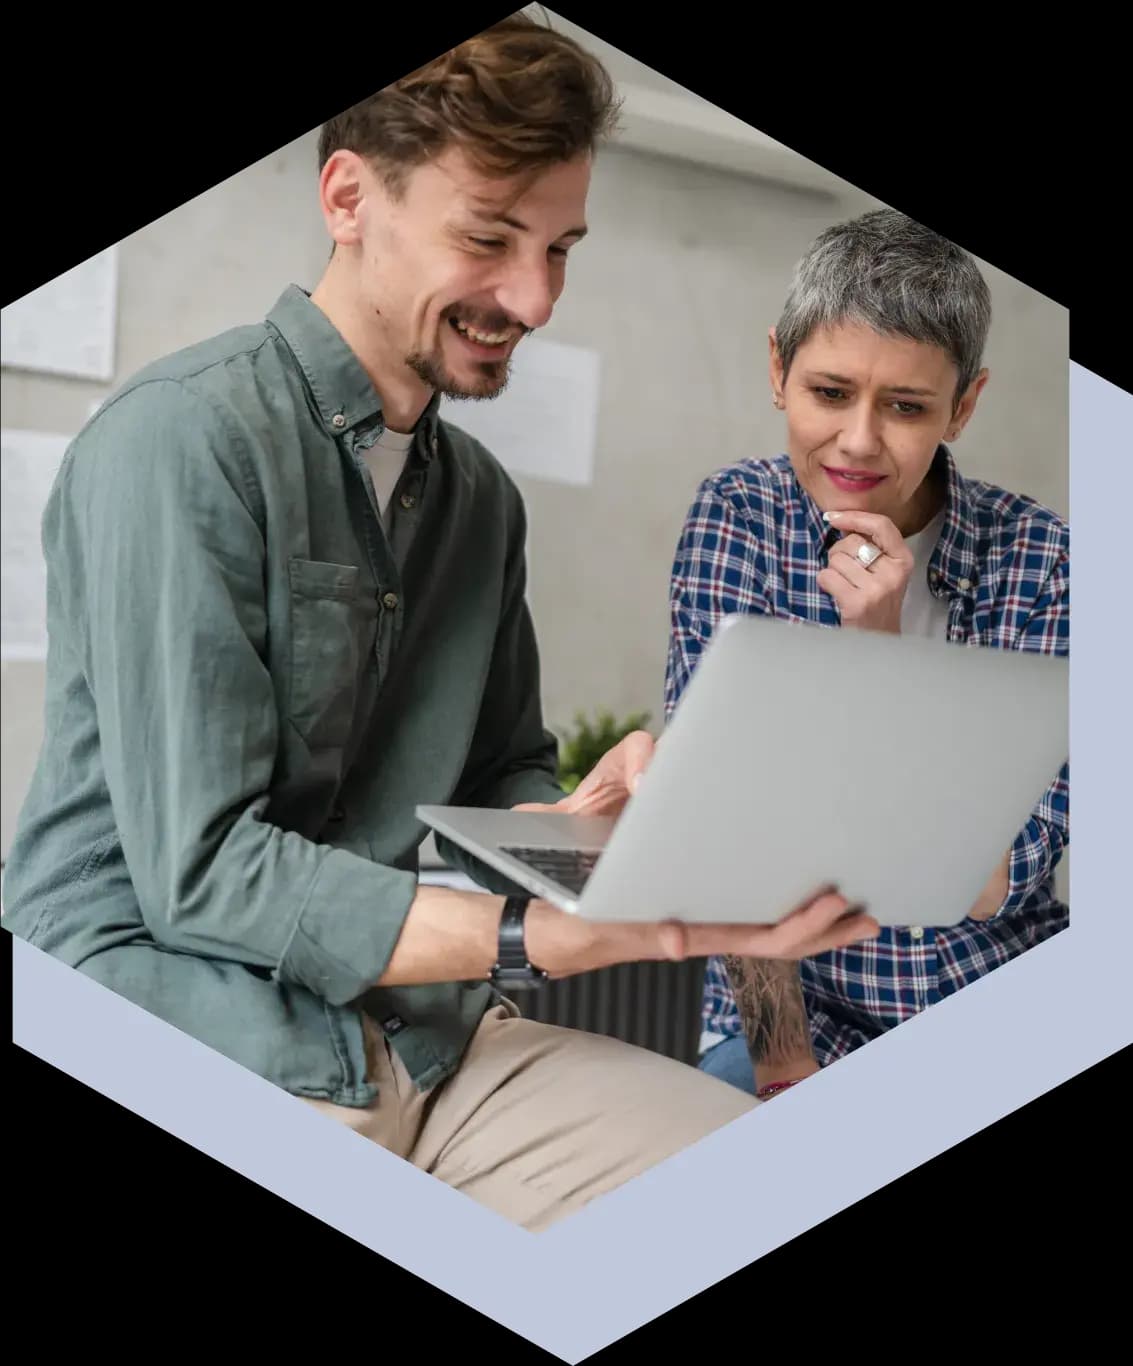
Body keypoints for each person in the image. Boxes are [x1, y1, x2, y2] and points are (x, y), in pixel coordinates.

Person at [1, 12, 880, 1232]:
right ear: (349, 197)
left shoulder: (479, 504)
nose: (533, 296)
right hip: (180, 1017)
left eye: (560, 248)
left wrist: (587, 822)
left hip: (420, 1037)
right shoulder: (181, 442)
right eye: (489, 237)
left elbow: (498, 775)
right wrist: (544, 935)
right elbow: (200, 877)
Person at [666, 208, 1069, 1100]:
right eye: (828, 392)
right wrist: (783, 1068)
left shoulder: (1049, 564)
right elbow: (719, 829)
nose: (856, 440)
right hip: (802, 1016)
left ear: (962, 405)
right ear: (778, 370)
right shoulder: (736, 517)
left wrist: (874, 647)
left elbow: (985, 881)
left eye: (907, 407)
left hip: (997, 1001)